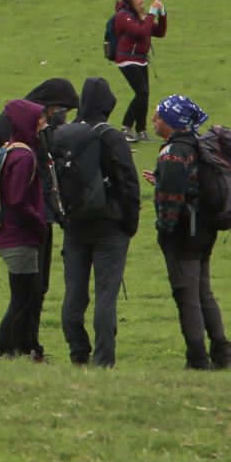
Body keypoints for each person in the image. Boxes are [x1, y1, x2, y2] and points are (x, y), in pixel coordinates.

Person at [52, 76, 141, 367]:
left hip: (75, 226)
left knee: (73, 295)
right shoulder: (111, 137)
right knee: (105, 297)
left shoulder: (64, 135)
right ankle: (104, 361)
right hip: (110, 229)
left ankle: (78, 353)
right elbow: (128, 184)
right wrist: (129, 224)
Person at [150, 93, 231, 371]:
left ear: (172, 121)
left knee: (187, 295)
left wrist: (164, 229)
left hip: (184, 234)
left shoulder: (174, 152)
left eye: (159, 116)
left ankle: (197, 359)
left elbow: (171, 200)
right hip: (205, 228)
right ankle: (222, 353)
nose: (153, 120)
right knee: (203, 291)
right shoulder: (196, 144)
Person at [0, 98, 52, 361]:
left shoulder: (9, 150)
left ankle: (12, 350)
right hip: (20, 238)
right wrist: (39, 222)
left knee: (22, 297)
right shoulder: (25, 156)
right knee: (22, 299)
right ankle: (4, 350)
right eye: (41, 118)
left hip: (7, 235)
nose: (45, 123)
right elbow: (17, 199)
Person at [0, 77, 81, 171]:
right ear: (51, 104)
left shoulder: (29, 118)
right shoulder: (13, 120)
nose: (63, 115)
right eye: (61, 110)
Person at [108, 0, 169, 142]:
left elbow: (160, 32)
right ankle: (126, 127)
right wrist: (151, 13)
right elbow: (140, 31)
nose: (142, 0)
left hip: (140, 59)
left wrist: (162, 14)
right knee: (142, 93)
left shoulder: (139, 15)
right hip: (127, 58)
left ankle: (141, 130)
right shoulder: (123, 16)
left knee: (144, 94)